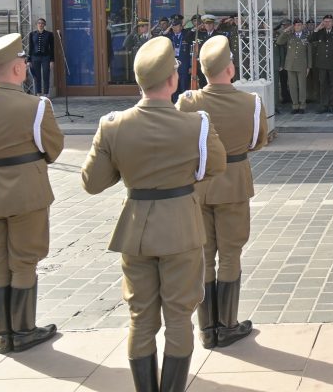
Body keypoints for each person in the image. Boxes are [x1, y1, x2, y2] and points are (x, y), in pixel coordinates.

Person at [82, 37, 227, 392]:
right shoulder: (196, 125)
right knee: (179, 317)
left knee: (140, 318)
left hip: (136, 230)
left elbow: (92, 182)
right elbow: (216, 166)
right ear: (173, 81)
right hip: (181, 227)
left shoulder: (113, 125)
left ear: (139, 81)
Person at [0, 34, 64, 355]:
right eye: (24, 62)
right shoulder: (36, 106)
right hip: (27, 192)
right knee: (24, 260)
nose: (27, 66)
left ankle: (4, 335)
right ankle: (23, 331)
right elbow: (52, 149)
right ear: (15, 68)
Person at [176, 35, 268, 349]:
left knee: (204, 256)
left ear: (203, 71)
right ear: (230, 68)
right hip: (234, 183)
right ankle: (227, 326)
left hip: (199, 185)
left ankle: (206, 329)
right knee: (230, 255)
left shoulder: (187, 101)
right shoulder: (251, 102)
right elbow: (258, 141)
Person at [276, 18, 312, 114]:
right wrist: (287, 30)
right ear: (294, 26)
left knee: (302, 86)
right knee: (292, 86)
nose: (297, 27)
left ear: (302, 26)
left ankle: (302, 105)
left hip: (302, 65)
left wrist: (309, 66)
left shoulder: (306, 37)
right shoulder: (289, 36)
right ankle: (295, 105)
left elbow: (309, 52)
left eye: (299, 25)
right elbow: (279, 41)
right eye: (296, 25)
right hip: (290, 65)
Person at [310, 15, 333, 114]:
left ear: (332, 22)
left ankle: (332, 105)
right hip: (322, 63)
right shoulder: (319, 32)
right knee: (323, 85)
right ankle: (324, 105)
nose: (327, 23)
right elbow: (310, 39)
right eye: (325, 21)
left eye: (329, 21)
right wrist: (318, 28)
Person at [166, 15, 193, 101]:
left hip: (184, 66)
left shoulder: (187, 35)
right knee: (174, 88)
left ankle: (185, 105)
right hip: (172, 66)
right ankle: (175, 105)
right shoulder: (169, 36)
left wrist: (191, 65)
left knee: (184, 87)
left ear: (181, 27)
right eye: (173, 26)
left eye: (177, 26)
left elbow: (191, 52)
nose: (174, 28)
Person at [27, 18, 55, 97]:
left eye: (42, 23)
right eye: (39, 23)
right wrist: (29, 60)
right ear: (36, 24)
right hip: (35, 57)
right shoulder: (32, 34)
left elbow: (52, 48)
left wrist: (52, 60)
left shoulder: (49, 34)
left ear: (44, 25)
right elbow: (31, 48)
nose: (41, 24)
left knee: (46, 75)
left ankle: (46, 93)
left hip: (46, 57)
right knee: (37, 76)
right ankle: (38, 93)